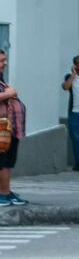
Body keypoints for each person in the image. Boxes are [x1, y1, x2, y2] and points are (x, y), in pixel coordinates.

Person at [0, 49, 29, 206]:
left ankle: (6, 192)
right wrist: (8, 93)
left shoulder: (1, 79)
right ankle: (2, 194)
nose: (5, 63)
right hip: (1, 128)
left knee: (8, 162)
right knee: (2, 162)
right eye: (1, 60)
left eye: (5, 60)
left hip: (8, 128)